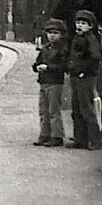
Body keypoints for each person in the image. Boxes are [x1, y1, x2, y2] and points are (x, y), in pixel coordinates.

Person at [65, 9, 102, 150]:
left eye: (83, 23)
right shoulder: (77, 38)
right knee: (76, 107)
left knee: (86, 108)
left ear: (90, 26)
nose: (79, 25)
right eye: (78, 22)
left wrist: (83, 71)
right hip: (76, 76)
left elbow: (95, 58)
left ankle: (95, 140)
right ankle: (80, 139)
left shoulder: (91, 39)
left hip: (85, 77)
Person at [32, 18, 68, 147]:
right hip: (43, 82)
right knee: (43, 110)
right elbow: (37, 62)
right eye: (50, 32)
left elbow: (63, 67)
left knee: (54, 110)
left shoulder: (62, 50)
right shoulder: (45, 48)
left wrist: (48, 67)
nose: (52, 35)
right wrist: (36, 67)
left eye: (55, 33)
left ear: (61, 34)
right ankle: (45, 134)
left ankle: (57, 136)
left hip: (55, 83)